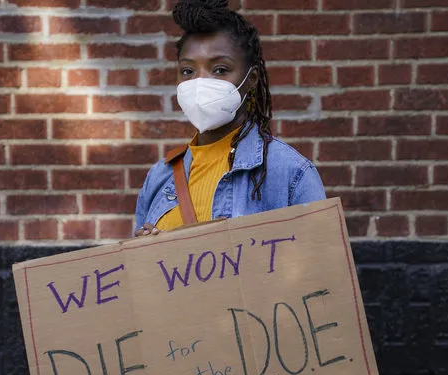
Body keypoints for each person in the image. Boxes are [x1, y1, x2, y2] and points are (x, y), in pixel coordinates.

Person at [134, 0, 325, 237]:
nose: (200, 82)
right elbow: (140, 272)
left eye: (220, 70)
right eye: (188, 71)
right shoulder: (159, 177)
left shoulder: (290, 172)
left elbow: (318, 263)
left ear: (252, 78)